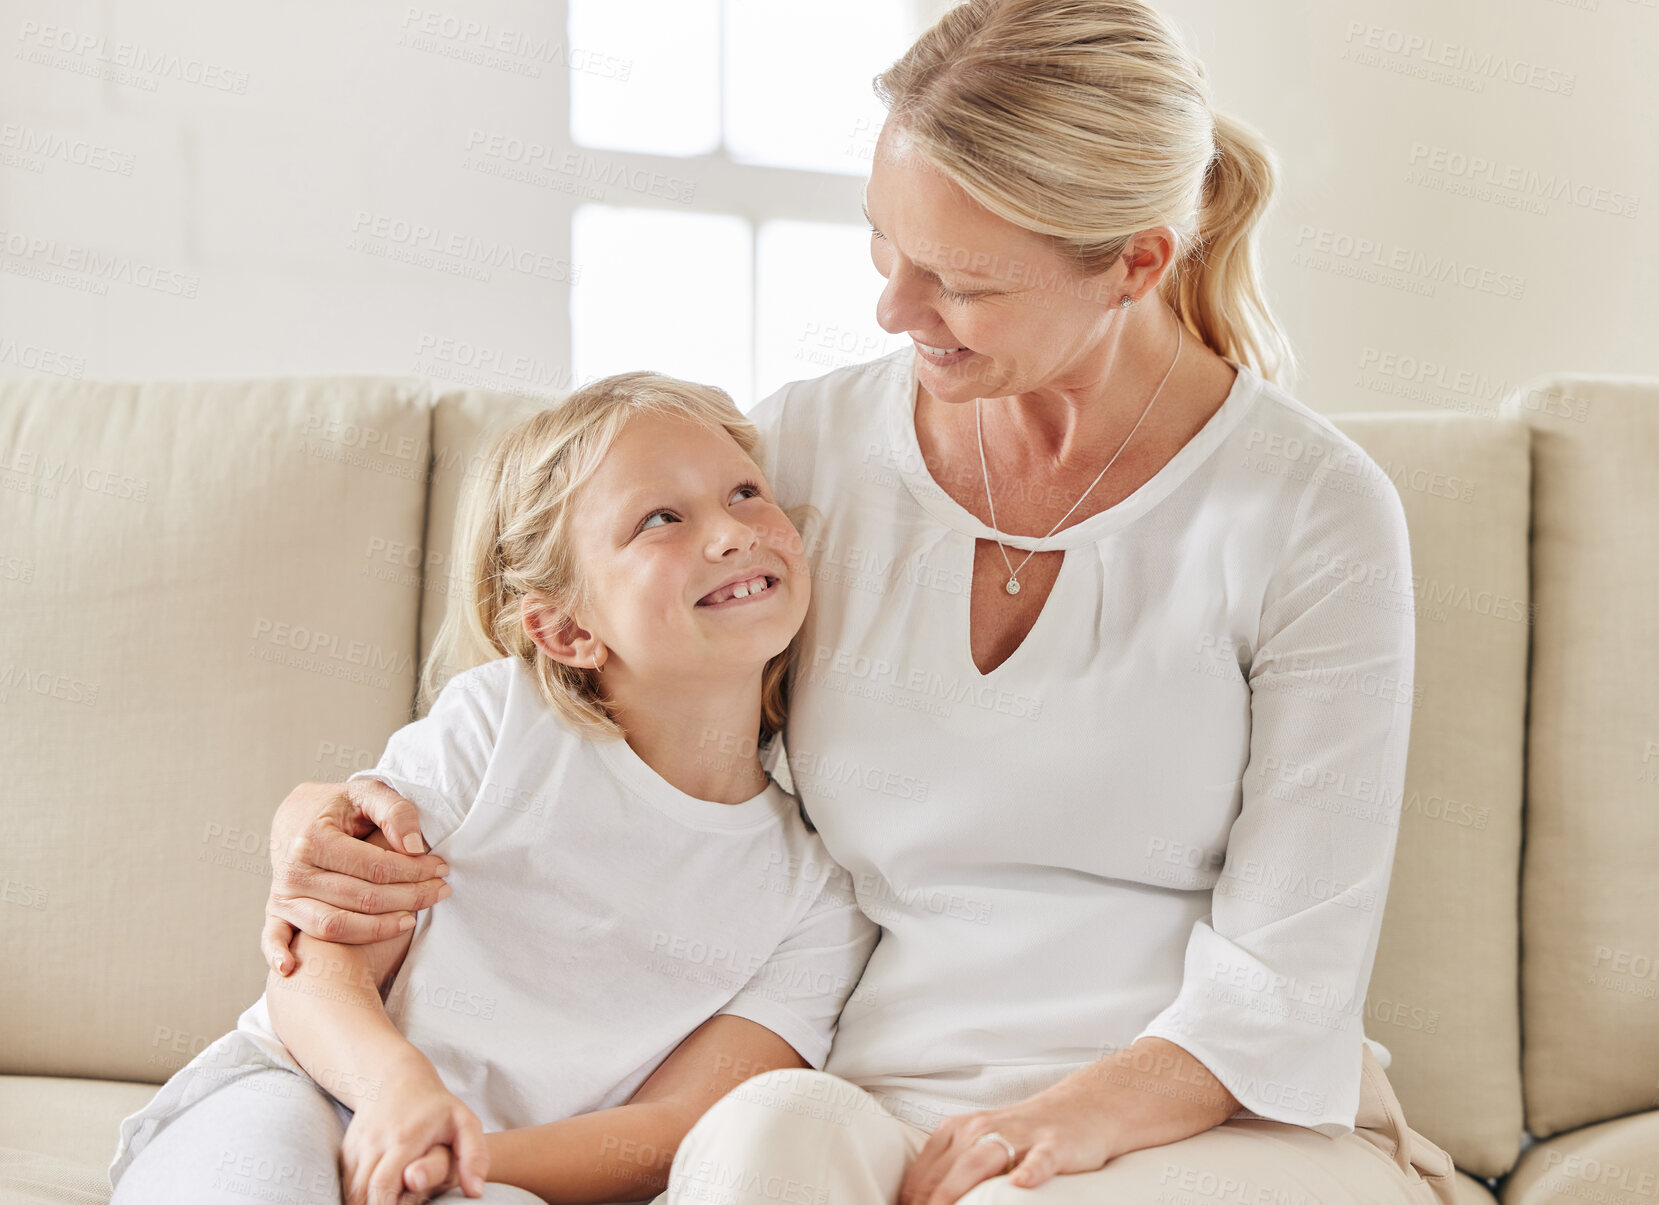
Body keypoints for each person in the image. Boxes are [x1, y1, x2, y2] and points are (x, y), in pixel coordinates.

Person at [258, 1, 1464, 1202]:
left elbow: (1285, 978)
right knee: (759, 1144)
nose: (895, 311)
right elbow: (606, 710)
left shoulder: (1314, 512)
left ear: (1137, 262)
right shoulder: (807, 453)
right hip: (871, 1097)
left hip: (1206, 1113)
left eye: (962, 284)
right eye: (886, 248)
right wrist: (327, 820)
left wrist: (1053, 1123)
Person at [107, 372, 879, 1205]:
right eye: (662, 518)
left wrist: (450, 1159)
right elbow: (317, 961)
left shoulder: (818, 892)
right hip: (306, 1092)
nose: (732, 532)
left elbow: (674, 1128)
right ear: (567, 629)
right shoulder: (498, 724)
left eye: (745, 492)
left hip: (495, 1172)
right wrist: (397, 1092)